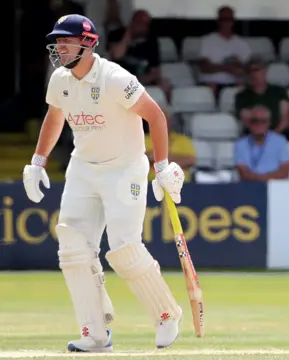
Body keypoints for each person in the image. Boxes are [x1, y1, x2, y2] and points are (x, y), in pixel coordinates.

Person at [22, 15, 184, 352]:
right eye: (58, 41)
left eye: (66, 41)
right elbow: (55, 117)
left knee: (124, 249)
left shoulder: (114, 78)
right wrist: (38, 160)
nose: (60, 47)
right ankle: (95, 334)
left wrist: (163, 165)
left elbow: (155, 115)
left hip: (124, 169)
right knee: (71, 246)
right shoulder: (60, 79)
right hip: (83, 167)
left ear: (87, 43)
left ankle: (167, 313)